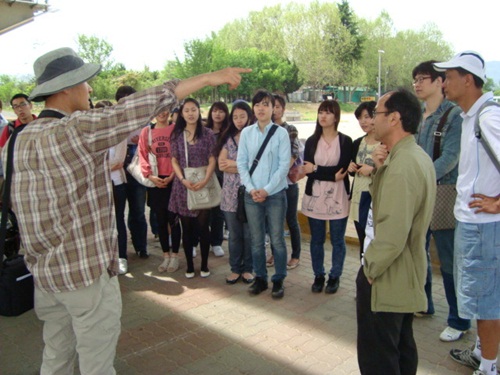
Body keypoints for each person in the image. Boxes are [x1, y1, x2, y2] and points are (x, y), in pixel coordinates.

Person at [6, 46, 249, 374]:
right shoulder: (75, 130)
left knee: (56, 355)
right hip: (85, 276)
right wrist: (208, 77)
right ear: (65, 88)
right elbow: (139, 106)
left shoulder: (20, 138)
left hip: (46, 276)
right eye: (84, 82)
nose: (89, 88)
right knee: (97, 364)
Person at [356, 88, 436, 375]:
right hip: (402, 273)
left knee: (378, 356)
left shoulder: (403, 165)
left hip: (386, 276)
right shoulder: (411, 156)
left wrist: (369, 269)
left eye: (376, 113)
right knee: (400, 347)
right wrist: (380, 169)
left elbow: (391, 234)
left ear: (394, 118)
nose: (371, 120)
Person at [434, 51, 500, 375]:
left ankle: (488, 367)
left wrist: (498, 202)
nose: (444, 83)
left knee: (487, 302)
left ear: (468, 80)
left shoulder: (488, 117)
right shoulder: (470, 116)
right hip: (471, 222)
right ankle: (481, 352)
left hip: (485, 226)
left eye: (448, 76)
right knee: (477, 296)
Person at [412, 60, 469, 341]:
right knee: (417, 252)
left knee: (448, 258)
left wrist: (421, 178)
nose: (418, 84)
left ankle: (459, 320)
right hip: (422, 192)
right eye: (415, 79)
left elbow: (450, 158)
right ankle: (423, 304)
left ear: (439, 82)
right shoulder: (419, 116)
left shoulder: (454, 116)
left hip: (444, 192)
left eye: (424, 78)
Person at [237, 90, 291, 299]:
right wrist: (252, 189)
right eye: (257, 104)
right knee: (256, 239)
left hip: (275, 195)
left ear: (273, 108)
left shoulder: (281, 134)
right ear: (253, 108)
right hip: (252, 196)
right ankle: (260, 278)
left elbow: (284, 166)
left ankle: (278, 280)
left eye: (266, 104)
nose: (261, 108)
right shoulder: (247, 133)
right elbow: (241, 164)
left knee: (277, 239)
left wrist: (267, 190)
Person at [301, 100, 352, 294]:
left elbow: (342, 170)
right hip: (315, 197)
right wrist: (328, 174)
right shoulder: (312, 141)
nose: (323, 116)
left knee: (338, 240)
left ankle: (335, 276)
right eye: (321, 112)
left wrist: (317, 169)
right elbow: (307, 170)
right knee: (317, 239)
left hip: (338, 197)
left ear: (336, 117)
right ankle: (318, 275)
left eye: (328, 113)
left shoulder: (345, 141)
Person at [169, 98, 218, 279]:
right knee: (186, 229)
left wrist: (206, 179)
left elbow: (213, 158)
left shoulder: (208, 134)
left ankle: (204, 265)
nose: (190, 113)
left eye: (193, 110)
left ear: (199, 111)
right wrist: (182, 179)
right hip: (184, 187)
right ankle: (190, 265)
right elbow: (174, 159)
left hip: (203, 185)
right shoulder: (176, 135)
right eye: (187, 110)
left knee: (204, 227)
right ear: (182, 114)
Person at [216, 100, 254, 284]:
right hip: (230, 192)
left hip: (250, 192)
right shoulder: (227, 137)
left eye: (243, 116)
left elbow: (255, 166)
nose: (239, 120)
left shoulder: (256, 136)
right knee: (234, 234)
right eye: (236, 116)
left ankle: (248, 268)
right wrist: (241, 166)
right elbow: (222, 164)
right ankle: (235, 269)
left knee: (249, 234)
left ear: (249, 116)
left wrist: (235, 165)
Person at [138, 110, 182, 273]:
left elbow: (180, 154)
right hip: (156, 180)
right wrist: (150, 176)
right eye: (158, 109)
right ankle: (166, 255)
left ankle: (176, 255)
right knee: (161, 220)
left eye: (165, 109)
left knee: (174, 219)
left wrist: (172, 175)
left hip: (174, 179)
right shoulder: (146, 131)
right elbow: (142, 155)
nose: (162, 113)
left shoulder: (177, 129)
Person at [96, 100, 130, 275]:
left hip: (116, 184)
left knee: (118, 220)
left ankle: (121, 257)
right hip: (98, 186)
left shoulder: (120, 134)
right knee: (101, 223)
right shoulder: (92, 136)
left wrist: (99, 166)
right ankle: (105, 258)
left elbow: (118, 162)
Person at [115, 85, 149, 259]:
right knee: (119, 213)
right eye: (124, 99)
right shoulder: (114, 119)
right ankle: (121, 253)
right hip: (117, 169)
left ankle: (141, 246)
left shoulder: (143, 118)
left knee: (138, 210)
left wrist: (141, 141)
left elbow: (149, 140)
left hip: (137, 166)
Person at [272, 94, 302, 270]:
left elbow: (294, 153)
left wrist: (279, 173)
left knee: (291, 219)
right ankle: (275, 254)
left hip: (287, 183)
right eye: (272, 106)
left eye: (277, 107)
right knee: (274, 221)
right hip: (271, 185)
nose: (274, 110)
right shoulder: (263, 129)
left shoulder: (289, 129)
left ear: (283, 109)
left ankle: (296, 255)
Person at [347, 101, 378, 259]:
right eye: (360, 118)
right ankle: (363, 275)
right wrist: (351, 168)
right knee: (362, 242)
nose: (363, 121)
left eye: (367, 116)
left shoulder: (385, 143)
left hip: (374, 199)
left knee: (374, 242)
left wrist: (372, 171)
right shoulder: (357, 142)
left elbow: (391, 173)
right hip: (358, 198)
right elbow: (353, 171)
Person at [205, 101, 230, 257]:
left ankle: (216, 242)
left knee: (218, 210)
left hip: (222, 175)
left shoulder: (228, 132)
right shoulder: (204, 131)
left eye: (221, 111)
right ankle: (201, 240)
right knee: (203, 209)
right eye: (215, 111)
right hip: (205, 174)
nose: (218, 114)